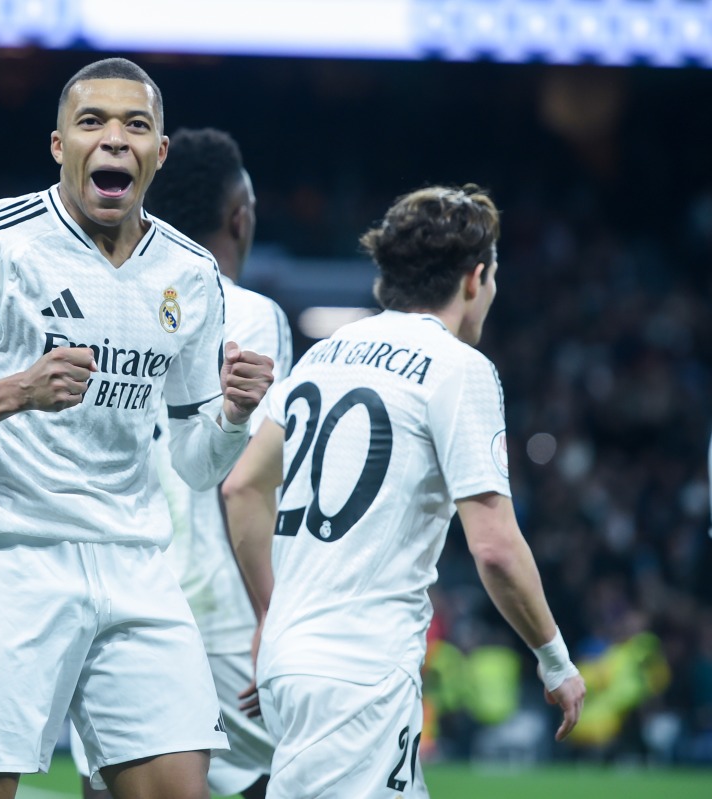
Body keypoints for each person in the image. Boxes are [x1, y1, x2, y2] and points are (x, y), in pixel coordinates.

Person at [0, 58, 274, 799]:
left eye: (135, 126)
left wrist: (232, 416)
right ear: (59, 146)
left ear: (159, 152)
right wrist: (14, 391)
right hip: (7, 556)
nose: (114, 140)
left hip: (136, 563)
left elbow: (195, 462)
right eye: (93, 123)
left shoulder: (189, 273)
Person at [223, 185, 586, 798]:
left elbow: (241, 489)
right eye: (492, 278)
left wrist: (272, 612)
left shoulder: (322, 356)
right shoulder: (458, 368)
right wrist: (556, 662)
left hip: (290, 661)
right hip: (360, 671)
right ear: (475, 280)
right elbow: (495, 548)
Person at [69, 128, 289, 799]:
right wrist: (273, 619)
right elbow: (245, 483)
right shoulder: (248, 314)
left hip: (110, 604)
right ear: (240, 216)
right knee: (273, 777)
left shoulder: (102, 309)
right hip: (216, 613)